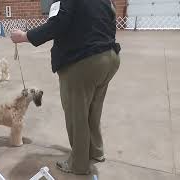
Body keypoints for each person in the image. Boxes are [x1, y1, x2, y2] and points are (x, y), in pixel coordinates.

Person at [11, 0, 120, 175]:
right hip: (110, 57)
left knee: (77, 115)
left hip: (83, 62)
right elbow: (112, 18)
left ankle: (79, 164)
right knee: (93, 110)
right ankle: (96, 152)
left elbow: (58, 24)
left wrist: (24, 36)